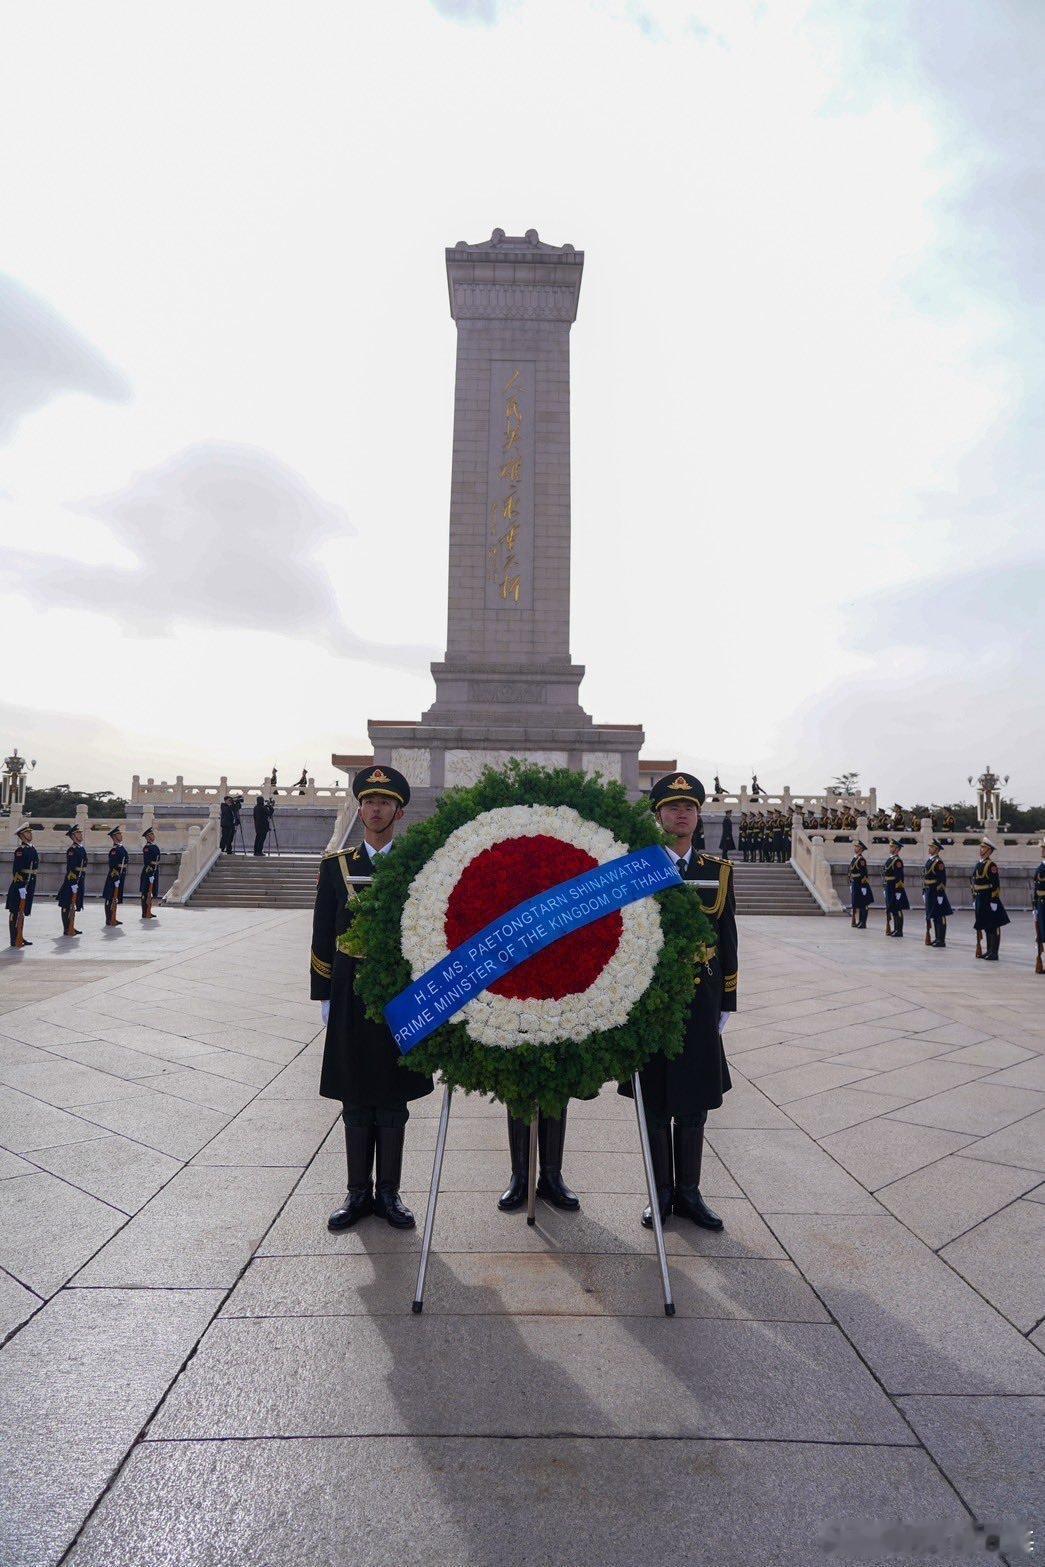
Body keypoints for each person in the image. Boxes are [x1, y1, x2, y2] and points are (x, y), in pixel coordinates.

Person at [310, 765, 433, 1231]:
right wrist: (323, 992)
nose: (375, 809)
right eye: (368, 801)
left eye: (384, 802)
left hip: (401, 994)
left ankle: (390, 1195)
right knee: (355, 1093)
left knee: (393, 1095)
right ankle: (357, 1192)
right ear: (360, 808)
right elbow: (323, 932)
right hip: (350, 991)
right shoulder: (336, 865)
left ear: (399, 812)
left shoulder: (416, 867)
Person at [620, 772, 735, 1232]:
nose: (681, 814)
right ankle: (660, 1194)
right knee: (653, 1101)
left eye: (688, 807)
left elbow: (727, 937)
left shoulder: (717, 871)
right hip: (652, 1001)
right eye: (672, 808)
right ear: (658, 815)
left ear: (698, 815)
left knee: (694, 1104)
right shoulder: (636, 868)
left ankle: (689, 1193)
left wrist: (727, 999)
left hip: (700, 998)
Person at [971, 837, 1010, 961]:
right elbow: (974, 882)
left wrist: (994, 900)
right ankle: (988, 950)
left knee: (994, 925)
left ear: (989, 850)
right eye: (981, 847)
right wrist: (974, 898)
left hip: (989, 898)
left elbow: (996, 884)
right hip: (980, 898)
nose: (981, 849)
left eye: (983, 847)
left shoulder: (991, 865)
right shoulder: (979, 864)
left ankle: (994, 952)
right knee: (986, 924)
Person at [6, 823, 38, 948]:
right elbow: (17, 870)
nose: (30, 834)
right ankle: (14, 939)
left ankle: (20, 935)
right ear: (21, 835)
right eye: (27, 832)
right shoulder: (20, 850)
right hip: (20, 886)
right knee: (15, 911)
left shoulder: (32, 848)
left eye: (30, 832)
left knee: (22, 911)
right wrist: (20, 887)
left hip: (29, 884)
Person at [57, 825, 87, 937]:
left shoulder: (81, 848)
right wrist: (73, 883)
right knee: (66, 903)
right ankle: (66, 928)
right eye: (78, 833)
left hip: (80, 879)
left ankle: (71, 926)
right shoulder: (72, 850)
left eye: (80, 833)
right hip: (72, 881)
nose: (80, 835)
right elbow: (71, 868)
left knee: (74, 904)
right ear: (73, 836)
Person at [922, 838, 952, 948]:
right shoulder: (929, 861)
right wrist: (924, 891)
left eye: (931, 847)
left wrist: (940, 894)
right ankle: (937, 938)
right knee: (934, 915)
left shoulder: (938, 862)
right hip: (930, 891)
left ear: (936, 849)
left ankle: (941, 939)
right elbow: (925, 877)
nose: (929, 848)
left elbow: (942, 880)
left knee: (940, 915)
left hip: (936, 892)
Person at [882, 839, 910, 938]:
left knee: (897, 908)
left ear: (897, 849)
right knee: (892, 908)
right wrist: (885, 887)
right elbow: (885, 874)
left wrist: (898, 891)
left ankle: (899, 930)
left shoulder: (897, 861)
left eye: (892, 847)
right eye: (890, 846)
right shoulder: (890, 859)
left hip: (895, 888)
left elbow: (899, 877)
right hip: (889, 886)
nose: (890, 848)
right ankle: (895, 928)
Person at [102, 826, 128, 927]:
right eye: (118, 834)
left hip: (121, 875)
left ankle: (113, 917)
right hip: (114, 877)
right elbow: (112, 866)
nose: (121, 835)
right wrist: (116, 878)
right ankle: (109, 919)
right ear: (114, 837)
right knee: (110, 897)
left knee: (115, 897)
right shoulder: (114, 850)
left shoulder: (121, 847)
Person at [848, 840, 873, 929]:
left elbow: (864, 873)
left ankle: (863, 922)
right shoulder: (855, 858)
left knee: (863, 904)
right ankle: (859, 921)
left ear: (861, 849)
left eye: (857, 847)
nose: (855, 848)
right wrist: (851, 882)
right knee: (857, 903)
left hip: (861, 884)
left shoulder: (861, 859)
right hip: (855, 883)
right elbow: (851, 872)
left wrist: (863, 886)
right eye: (855, 846)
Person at [140, 827, 161, 918]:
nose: (153, 836)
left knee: (151, 891)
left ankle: (149, 909)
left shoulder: (155, 846)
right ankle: (145, 912)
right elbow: (147, 861)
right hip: (148, 871)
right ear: (148, 837)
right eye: (151, 834)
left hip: (155, 870)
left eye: (153, 834)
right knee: (146, 892)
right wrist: (150, 873)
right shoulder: (146, 848)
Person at [1034, 844, 1045, 974]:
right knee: (1042, 932)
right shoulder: (1040, 867)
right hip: (1041, 904)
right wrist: (1035, 906)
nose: (1042, 850)